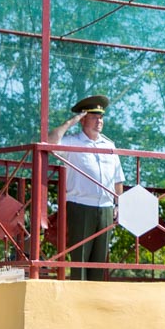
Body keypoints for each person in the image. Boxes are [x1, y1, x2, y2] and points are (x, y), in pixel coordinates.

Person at [49, 94, 125, 281]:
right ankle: (78, 295)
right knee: (80, 259)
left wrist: (118, 205)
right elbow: (50, 143)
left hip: (106, 207)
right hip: (80, 205)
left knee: (100, 261)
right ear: (83, 120)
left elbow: (118, 180)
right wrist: (71, 122)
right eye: (94, 117)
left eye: (101, 117)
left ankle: (94, 296)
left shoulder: (109, 145)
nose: (99, 121)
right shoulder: (72, 141)